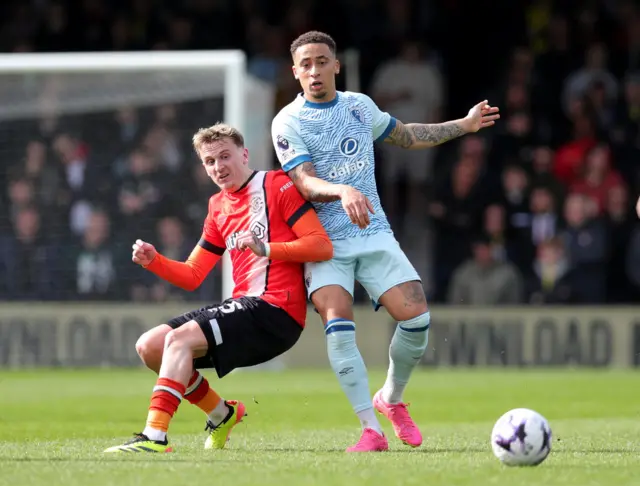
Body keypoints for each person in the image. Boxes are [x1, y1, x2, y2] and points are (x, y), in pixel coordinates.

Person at [271, 31, 500, 452]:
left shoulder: (359, 106)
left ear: (336, 65)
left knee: (417, 320)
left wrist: (465, 126)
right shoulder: (288, 121)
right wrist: (342, 190)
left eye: (322, 61)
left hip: (372, 232)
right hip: (324, 242)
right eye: (306, 64)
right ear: (295, 72)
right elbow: (301, 182)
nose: (314, 70)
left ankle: (391, 400)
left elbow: (407, 135)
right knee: (339, 324)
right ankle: (369, 430)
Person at [104, 123, 333, 453]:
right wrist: (154, 261)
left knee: (178, 340)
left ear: (244, 154)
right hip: (245, 306)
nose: (218, 167)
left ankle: (154, 435)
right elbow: (194, 273)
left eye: (225, 156)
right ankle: (221, 413)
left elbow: (321, 245)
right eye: (210, 161)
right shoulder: (217, 207)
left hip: (276, 311)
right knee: (150, 346)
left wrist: (267, 248)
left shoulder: (278, 185)